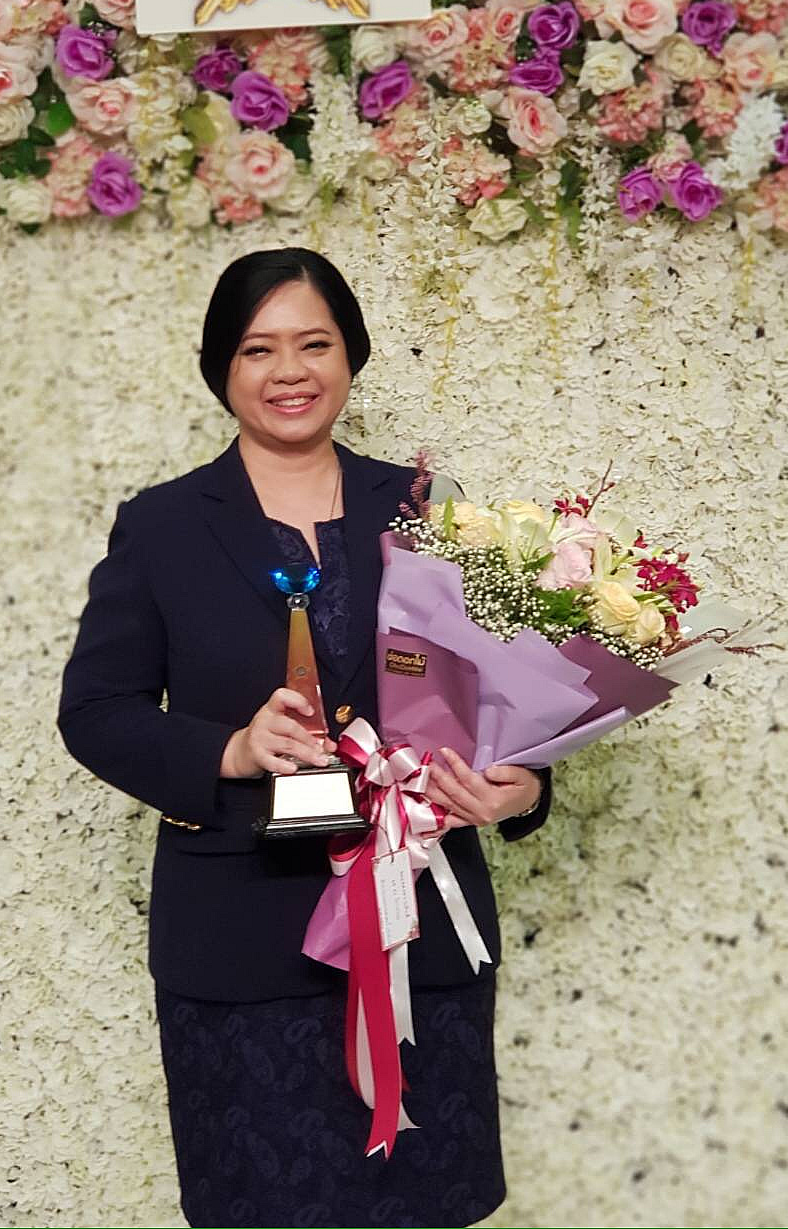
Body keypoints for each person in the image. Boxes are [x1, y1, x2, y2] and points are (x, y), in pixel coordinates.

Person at [57, 247, 552, 1229]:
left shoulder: (427, 507)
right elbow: (95, 711)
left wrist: (523, 787)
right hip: (242, 944)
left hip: (417, 934)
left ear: (350, 356)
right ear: (221, 368)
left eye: (314, 344)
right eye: (259, 349)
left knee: (421, 1206)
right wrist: (231, 750)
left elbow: (506, 696)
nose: (290, 370)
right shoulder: (161, 526)